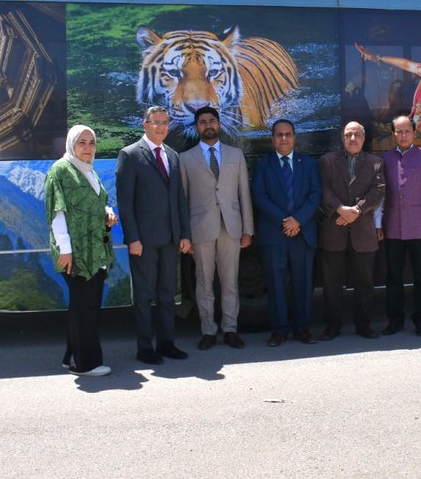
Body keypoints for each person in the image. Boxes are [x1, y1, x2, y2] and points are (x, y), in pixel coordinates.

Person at [116, 106, 192, 364]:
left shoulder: (172, 155)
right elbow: (125, 203)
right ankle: (144, 348)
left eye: (165, 122)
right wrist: (132, 239)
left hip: (171, 238)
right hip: (144, 242)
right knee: (144, 295)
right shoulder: (130, 155)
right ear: (145, 124)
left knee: (168, 294)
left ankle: (167, 343)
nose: (161, 127)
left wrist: (184, 234)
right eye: (156, 122)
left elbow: (179, 199)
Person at [178, 106, 254, 350]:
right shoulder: (185, 159)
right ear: (196, 127)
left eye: (212, 121)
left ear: (219, 124)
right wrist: (185, 235)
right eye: (202, 122)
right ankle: (208, 330)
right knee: (203, 282)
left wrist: (248, 229)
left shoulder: (235, 155)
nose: (208, 125)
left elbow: (245, 194)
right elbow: (183, 199)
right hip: (200, 229)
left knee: (230, 282)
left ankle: (230, 329)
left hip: (231, 227)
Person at [45, 125, 117, 377]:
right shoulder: (61, 171)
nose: (87, 148)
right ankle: (86, 363)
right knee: (85, 306)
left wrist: (107, 212)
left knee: (83, 305)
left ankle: (71, 357)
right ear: (71, 145)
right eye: (81, 143)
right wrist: (65, 250)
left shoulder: (87, 170)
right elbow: (57, 212)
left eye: (91, 143)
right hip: (76, 251)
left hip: (94, 249)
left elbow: (96, 201)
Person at [252, 119, 321, 346]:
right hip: (274, 234)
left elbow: (315, 195)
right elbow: (260, 196)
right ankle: (279, 330)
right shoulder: (263, 165)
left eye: (288, 134)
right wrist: (285, 221)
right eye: (279, 134)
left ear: (294, 138)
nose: (284, 138)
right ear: (272, 139)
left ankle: (302, 328)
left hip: (302, 233)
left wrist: (297, 220)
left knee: (302, 284)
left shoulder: (308, 164)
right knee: (276, 284)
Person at [375, 115, 421, 337]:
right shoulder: (384, 159)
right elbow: (380, 197)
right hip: (393, 227)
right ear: (393, 134)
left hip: (420, 226)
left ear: (413, 132)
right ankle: (395, 320)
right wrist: (378, 224)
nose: (403, 135)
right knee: (393, 276)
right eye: (398, 131)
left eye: (407, 131)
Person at [317, 121, 386, 340]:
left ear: (364, 138)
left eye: (356, 135)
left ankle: (363, 325)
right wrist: (339, 209)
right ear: (342, 138)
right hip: (333, 231)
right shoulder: (327, 161)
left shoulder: (376, 163)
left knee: (364, 283)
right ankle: (332, 326)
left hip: (363, 234)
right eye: (348, 135)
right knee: (332, 285)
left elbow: (379, 191)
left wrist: (356, 211)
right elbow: (323, 190)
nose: (352, 139)